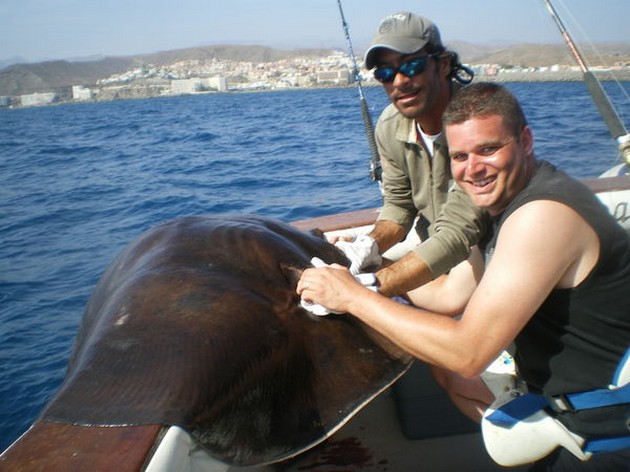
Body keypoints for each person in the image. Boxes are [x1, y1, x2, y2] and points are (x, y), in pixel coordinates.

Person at [298, 83, 630, 470]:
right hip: (563, 416)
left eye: (488, 149)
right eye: (460, 156)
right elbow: (448, 294)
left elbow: (468, 353)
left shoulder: (543, 216)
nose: (473, 169)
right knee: (451, 378)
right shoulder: (502, 208)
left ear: (525, 141)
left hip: (607, 436)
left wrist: (353, 298)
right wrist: (372, 267)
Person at [333, 11, 489, 298]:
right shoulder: (389, 125)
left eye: (412, 65)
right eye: (385, 72)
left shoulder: (479, 122)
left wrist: (360, 288)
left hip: (487, 255)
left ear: (443, 64)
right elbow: (400, 205)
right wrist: (367, 246)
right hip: (435, 255)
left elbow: (459, 232)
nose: (399, 81)